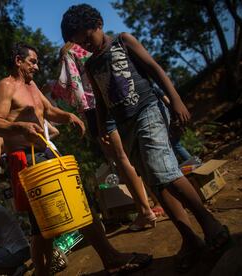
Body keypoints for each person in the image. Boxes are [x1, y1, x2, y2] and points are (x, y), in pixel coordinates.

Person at [61, 4, 231, 272]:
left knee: (162, 169)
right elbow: (102, 100)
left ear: (98, 23)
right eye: (80, 43)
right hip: (125, 124)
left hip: (149, 110)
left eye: (87, 38)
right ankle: (190, 238)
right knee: (155, 182)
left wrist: (175, 100)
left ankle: (212, 226)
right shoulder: (91, 65)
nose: (86, 45)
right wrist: (105, 128)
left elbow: (154, 68)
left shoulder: (123, 41)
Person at [0, 42, 152, 275]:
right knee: (44, 223)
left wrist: (69, 116)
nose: (36, 66)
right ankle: (107, 259)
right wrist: (20, 127)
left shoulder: (32, 85)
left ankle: (109, 258)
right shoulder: (5, 87)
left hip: (46, 153)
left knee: (74, 205)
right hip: (25, 160)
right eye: (32, 61)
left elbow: (49, 111)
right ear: (18, 61)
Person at [52, 41, 158, 231]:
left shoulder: (68, 52)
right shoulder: (96, 45)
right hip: (118, 99)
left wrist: (51, 89)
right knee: (134, 152)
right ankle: (158, 202)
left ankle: (145, 212)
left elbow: (70, 86)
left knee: (120, 158)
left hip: (95, 108)